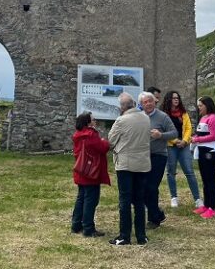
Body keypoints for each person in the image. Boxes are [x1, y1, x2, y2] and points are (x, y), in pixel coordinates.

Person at [107, 92, 153, 245]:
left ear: (122, 107)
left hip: (125, 164)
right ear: (134, 104)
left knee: (125, 201)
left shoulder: (121, 120)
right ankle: (141, 236)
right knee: (139, 200)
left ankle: (124, 236)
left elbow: (111, 140)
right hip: (142, 163)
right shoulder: (146, 118)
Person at [138, 91, 177, 230]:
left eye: (150, 101)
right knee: (142, 188)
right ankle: (158, 214)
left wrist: (161, 135)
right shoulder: (138, 117)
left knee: (152, 187)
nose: (148, 103)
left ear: (155, 102)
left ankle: (154, 219)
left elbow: (174, 133)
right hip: (142, 156)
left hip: (159, 156)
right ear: (141, 105)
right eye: (145, 102)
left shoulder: (163, 116)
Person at [71, 111, 111, 237]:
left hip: (81, 171)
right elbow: (102, 147)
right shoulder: (90, 134)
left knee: (81, 199)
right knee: (91, 201)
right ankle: (88, 228)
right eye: (93, 120)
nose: (95, 121)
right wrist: (105, 141)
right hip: (91, 173)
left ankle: (76, 225)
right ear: (88, 122)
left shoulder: (78, 134)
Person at [161, 90, 202, 209]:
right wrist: (175, 141)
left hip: (183, 145)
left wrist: (184, 141)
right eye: (174, 98)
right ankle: (174, 197)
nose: (176, 99)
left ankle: (197, 199)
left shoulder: (183, 113)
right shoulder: (164, 114)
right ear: (169, 99)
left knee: (189, 171)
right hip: (170, 146)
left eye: (177, 97)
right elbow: (164, 130)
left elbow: (189, 128)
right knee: (171, 172)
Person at [191, 96, 215, 219]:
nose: (199, 108)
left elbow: (214, 136)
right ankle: (206, 204)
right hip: (202, 150)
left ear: (207, 105)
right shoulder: (203, 118)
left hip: (210, 151)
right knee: (205, 179)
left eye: (201, 105)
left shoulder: (213, 118)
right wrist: (194, 137)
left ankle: (213, 207)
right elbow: (200, 133)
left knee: (211, 180)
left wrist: (197, 139)